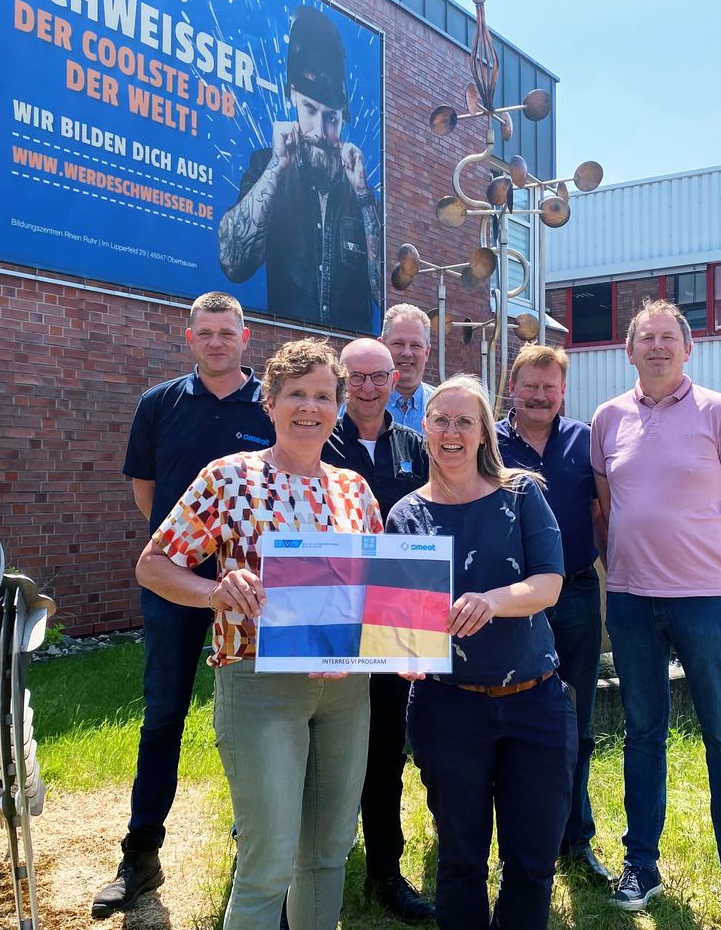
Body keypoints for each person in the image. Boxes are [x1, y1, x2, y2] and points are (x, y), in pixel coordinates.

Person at [137, 339, 383, 930]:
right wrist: (214, 590)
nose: (309, 407)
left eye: (323, 396)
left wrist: (403, 636)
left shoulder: (354, 489)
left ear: (338, 407)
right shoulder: (229, 478)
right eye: (296, 394)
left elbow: (377, 589)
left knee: (328, 853)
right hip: (259, 683)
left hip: (345, 691)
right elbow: (154, 565)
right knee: (268, 860)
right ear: (269, 403)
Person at [94, 293, 274, 920]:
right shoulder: (159, 404)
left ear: (245, 338)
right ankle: (141, 855)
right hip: (175, 586)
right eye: (206, 333)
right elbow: (148, 495)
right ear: (189, 337)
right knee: (164, 715)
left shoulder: (272, 404)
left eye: (228, 332)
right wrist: (184, 558)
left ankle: (258, 848)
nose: (217, 342)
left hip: (257, 590)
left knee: (260, 718)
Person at [590, 300, 721, 928]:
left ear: (687, 349)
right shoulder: (608, 418)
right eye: (646, 337)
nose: (658, 346)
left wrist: (720, 574)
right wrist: (624, 569)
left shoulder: (720, 412)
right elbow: (606, 511)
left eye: (669, 337)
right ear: (629, 350)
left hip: (704, 602)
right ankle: (641, 864)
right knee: (643, 734)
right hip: (633, 603)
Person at [386, 375, 575, 930]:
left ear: (484, 432)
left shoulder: (522, 494)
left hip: (534, 702)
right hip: (448, 707)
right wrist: (400, 649)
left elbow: (549, 584)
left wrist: (491, 601)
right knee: (460, 859)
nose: (452, 432)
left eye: (465, 421)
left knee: (532, 862)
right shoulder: (404, 516)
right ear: (425, 428)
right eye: (441, 420)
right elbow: (401, 616)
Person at [321, 338, 433, 921]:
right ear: (343, 381)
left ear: (395, 381)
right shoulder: (319, 437)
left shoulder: (416, 445)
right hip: (330, 613)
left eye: (379, 377)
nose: (368, 387)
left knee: (387, 747)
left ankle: (386, 871)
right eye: (357, 377)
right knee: (322, 746)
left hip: (396, 616)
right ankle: (312, 865)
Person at [495, 344, 610, 886]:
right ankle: (515, 839)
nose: (540, 396)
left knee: (576, 723)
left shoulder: (585, 441)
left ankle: (575, 838)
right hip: (510, 601)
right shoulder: (488, 443)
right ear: (511, 388)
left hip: (577, 597)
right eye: (530, 386)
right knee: (511, 722)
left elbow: (603, 511)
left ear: (563, 391)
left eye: (550, 387)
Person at [218, 5, 381, 334]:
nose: (320, 131)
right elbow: (233, 263)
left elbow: (382, 293)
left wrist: (364, 196)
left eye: (331, 118)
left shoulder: (360, 188)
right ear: (293, 97)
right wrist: (276, 168)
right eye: (309, 109)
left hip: (349, 360)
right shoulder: (266, 165)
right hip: (287, 353)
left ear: (344, 117)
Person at [380, 304, 435, 432]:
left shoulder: (443, 406)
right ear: (381, 347)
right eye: (398, 344)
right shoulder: (356, 406)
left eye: (415, 345)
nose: (407, 353)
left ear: (427, 352)